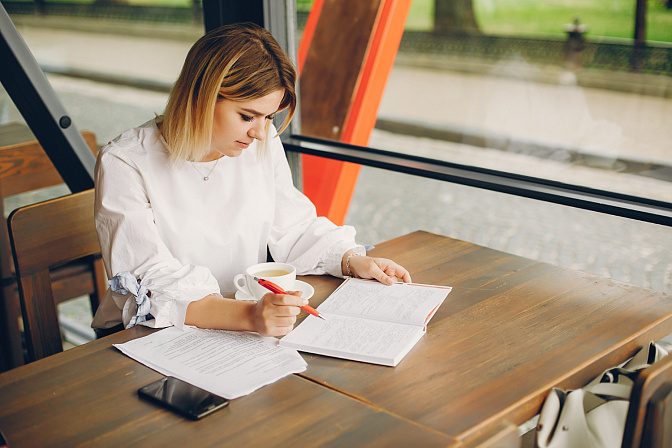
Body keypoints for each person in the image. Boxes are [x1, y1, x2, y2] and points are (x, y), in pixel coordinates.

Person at [92, 22, 411, 338]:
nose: (260, 132)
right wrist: (249, 315)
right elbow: (149, 285)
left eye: (269, 117)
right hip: (146, 337)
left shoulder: (260, 140)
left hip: (237, 326)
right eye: (247, 116)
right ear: (200, 96)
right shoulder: (125, 162)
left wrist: (351, 259)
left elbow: (294, 226)